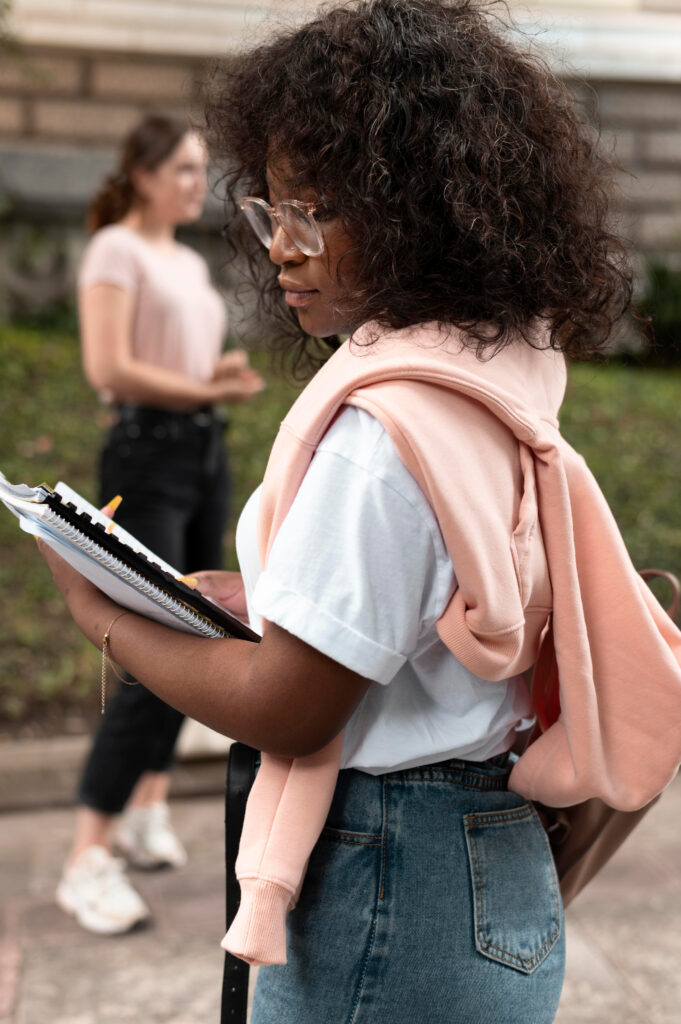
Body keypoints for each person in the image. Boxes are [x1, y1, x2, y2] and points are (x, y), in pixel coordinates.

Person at [38, 2, 681, 1021]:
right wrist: (263, 597)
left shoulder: (380, 435)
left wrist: (106, 616)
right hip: (478, 868)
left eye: (317, 212)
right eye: (272, 209)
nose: (283, 247)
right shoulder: (499, 364)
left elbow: (291, 705)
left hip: (387, 877)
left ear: (419, 211)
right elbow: (422, 595)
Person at [55, 114, 264, 936]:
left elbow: (171, 365)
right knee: (148, 653)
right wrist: (208, 391)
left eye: (198, 168)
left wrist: (214, 380)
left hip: (199, 452)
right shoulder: (117, 249)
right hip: (146, 456)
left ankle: (144, 810)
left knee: (198, 631)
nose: (194, 182)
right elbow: (110, 369)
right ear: (141, 174)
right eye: (180, 168)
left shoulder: (181, 259)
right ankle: (86, 857)